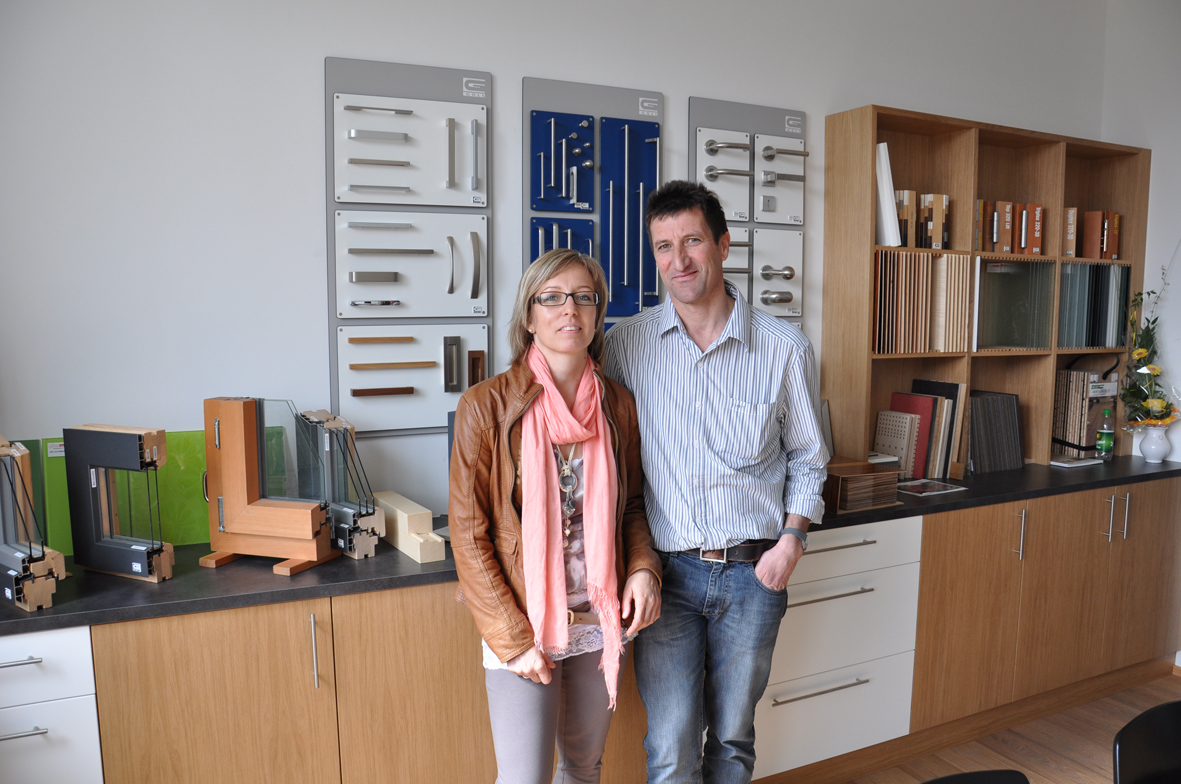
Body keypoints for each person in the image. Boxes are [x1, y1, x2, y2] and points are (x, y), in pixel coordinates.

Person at [602, 180, 829, 784]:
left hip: (755, 575)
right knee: (670, 746)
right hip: (665, 577)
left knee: (731, 740)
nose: (679, 260)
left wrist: (792, 542)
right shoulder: (625, 346)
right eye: (664, 246)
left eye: (693, 241)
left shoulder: (783, 348)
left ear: (723, 245)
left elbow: (809, 457)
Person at [450, 248, 662, 784]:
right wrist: (513, 640)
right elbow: (470, 536)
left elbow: (632, 507)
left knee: (584, 770)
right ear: (529, 316)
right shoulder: (485, 407)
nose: (570, 309)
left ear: (597, 313)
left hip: (597, 620)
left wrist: (643, 569)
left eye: (584, 297)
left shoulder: (617, 405)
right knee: (525, 779)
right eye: (552, 297)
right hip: (524, 621)